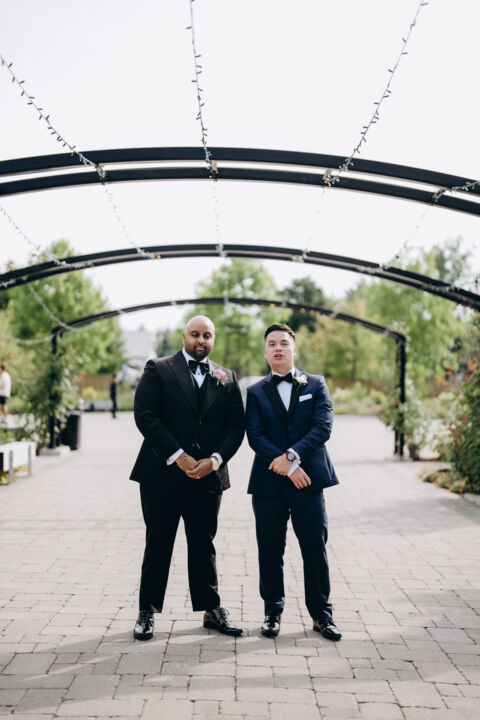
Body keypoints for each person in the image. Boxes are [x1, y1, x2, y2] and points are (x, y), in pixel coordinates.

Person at [130, 315, 245, 640]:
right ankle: (147, 611)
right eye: (195, 334)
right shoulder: (158, 369)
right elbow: (146, 416)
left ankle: (211, 609)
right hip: (162, 475)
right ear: (184, 336)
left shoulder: (227, 377)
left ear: (213, 339)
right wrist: (178, 456)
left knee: (203, 544)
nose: (201, 341)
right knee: (158, 543)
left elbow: (236, 426)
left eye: (207, 335)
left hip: (207, 478)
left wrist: (215, 460)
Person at [245, 323, 341, 641]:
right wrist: (286, 467)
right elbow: (255, 435)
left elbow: (322, 427)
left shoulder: (316, 384)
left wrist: (292, 457)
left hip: (308, 481)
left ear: (293, 349)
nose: (278, 348)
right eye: (272, 343)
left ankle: (322, 615)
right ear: (265, 351)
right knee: (270, 550)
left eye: (283, 343)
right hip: (268, 485)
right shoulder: (255, 392)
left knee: (314, 547)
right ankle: (272, 612)